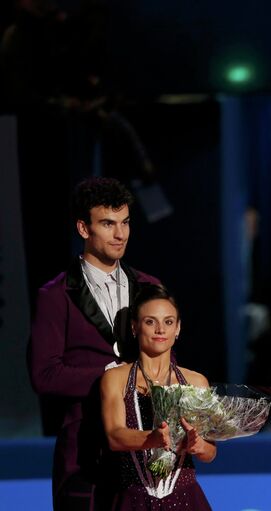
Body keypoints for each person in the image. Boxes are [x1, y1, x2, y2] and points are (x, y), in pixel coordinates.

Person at [27, 176, 160, 510]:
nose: (120, 234)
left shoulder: (149, 286)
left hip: (147, 448)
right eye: (107, 224)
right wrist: (114, 375)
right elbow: (44, 375)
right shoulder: (55, 296)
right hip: (85, 453)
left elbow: (166, 364)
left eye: (125, 223)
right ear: (84, 229)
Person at [100, 284, 214, 509]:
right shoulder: (115, 378)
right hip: (134, 501)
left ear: (178, 328)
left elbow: (210, 452)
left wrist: (199, 445)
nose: (160, 329)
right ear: (135, 327)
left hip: (186, 500)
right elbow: (114, 436)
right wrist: (152, 439)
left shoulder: (196, 382)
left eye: (168, 322)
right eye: (150, 321)